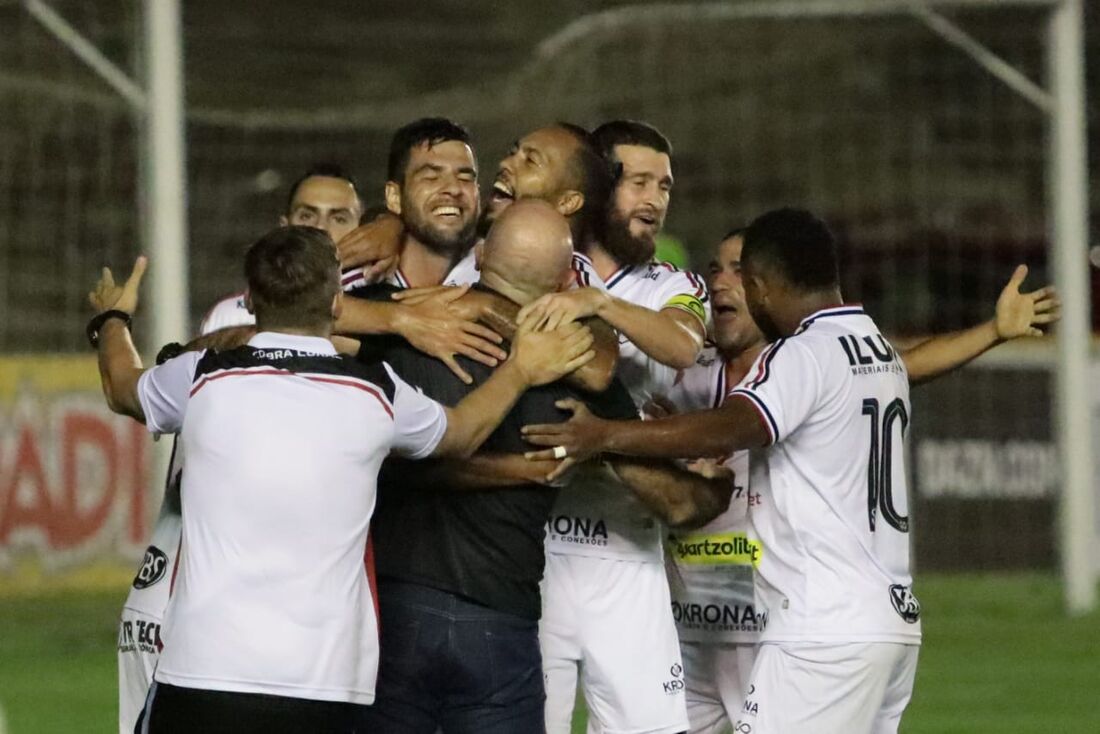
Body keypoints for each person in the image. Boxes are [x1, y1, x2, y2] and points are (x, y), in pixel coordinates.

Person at [523, 208, 1060, 734]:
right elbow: (909, 365)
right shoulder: (870, 344)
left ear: (761, 286)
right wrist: (991, 329)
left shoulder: (802, 355)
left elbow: (735, 426)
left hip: (821, 630)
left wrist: (606, 435)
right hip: (886, 621)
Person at [89, 225, 594, 734]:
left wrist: (112, 319)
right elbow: (461, 434)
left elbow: (122, 388)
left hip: (203, 672)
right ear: (336, 303)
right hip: (326, 684)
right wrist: (522, 369)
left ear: (252, 302)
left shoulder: (202, 377)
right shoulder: (373, 391)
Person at [356, 200, 728, 733]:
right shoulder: (574, 365)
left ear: (480, 255)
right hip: (499, 617)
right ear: (562, 282)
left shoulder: (402, 326)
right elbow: (679, 502)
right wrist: (712, 486)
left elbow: (382, 456)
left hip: (395, 608)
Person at [518, 121, 708, 734]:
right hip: (531, 549)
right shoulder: (534, 257)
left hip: (627, 553)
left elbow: (682, 348)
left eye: (665, 186)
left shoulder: (673, 287)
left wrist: (599, 303)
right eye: (639, 182)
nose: (654, 199)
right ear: (598, 186)